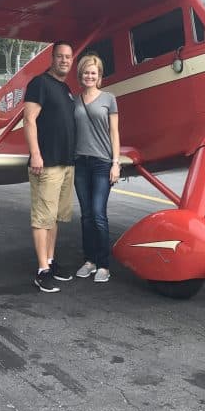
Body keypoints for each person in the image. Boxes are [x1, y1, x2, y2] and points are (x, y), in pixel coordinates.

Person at [23, 41, 77, 293]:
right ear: (52, 59)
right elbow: (29, 119)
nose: (64, 60)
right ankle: (42, 270)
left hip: (66, 163)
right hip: (47, 163)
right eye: (60, 57)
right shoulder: (39, 83)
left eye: (68, 57)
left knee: (55, 217)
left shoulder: (66, 88)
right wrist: (35, 154)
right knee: (42, 218)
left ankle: (51, 261)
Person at [72, 54, 120, 284]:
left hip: (102, 163)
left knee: (99, 215)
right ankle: (89, 261)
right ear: (80, 75)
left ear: (99, 75)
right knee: (86, 216)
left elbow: (114, 133)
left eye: (94, 72)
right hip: (81, 163)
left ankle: (103, 265)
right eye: (86, 72)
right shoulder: (75, 100)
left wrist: (116, 163)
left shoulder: (109, 99)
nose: (89, 76)